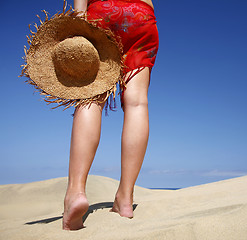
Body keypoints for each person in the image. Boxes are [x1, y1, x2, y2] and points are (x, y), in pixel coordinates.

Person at [62, 0, 159, 230]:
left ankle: (75, 193)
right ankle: (125, 199)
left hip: (102, 12)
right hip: (142, 17)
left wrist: (79, 17)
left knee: (91, 97)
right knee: (137, 103)